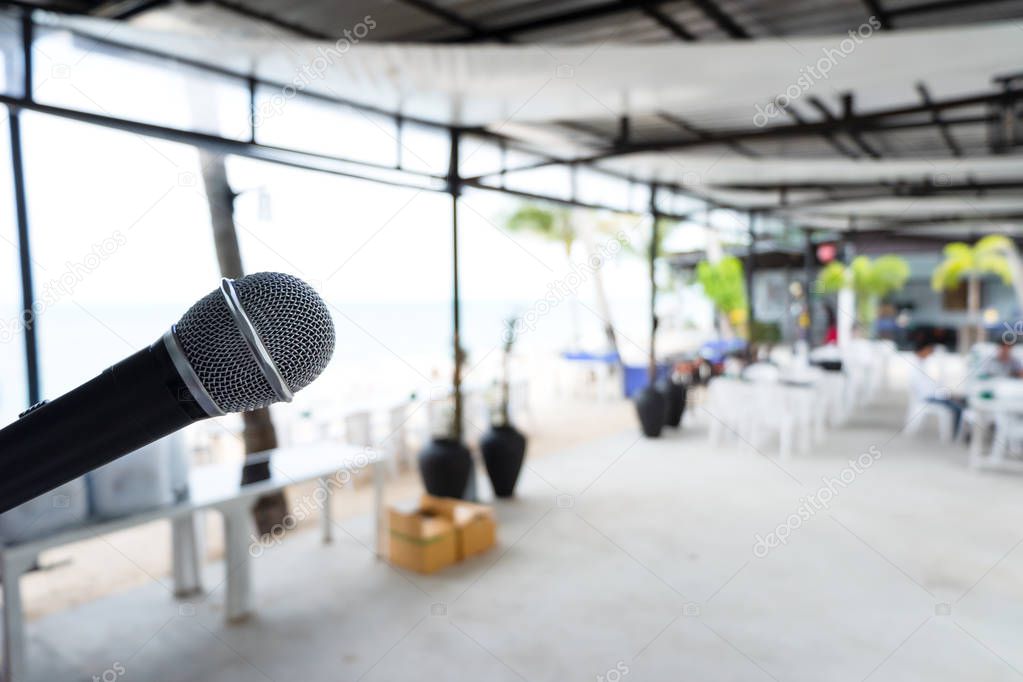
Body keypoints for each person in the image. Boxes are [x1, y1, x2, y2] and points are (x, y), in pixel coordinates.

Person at [910, 339, 964, 436]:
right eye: (929, 350)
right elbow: (926, 389)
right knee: (958, 407)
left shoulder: (922, 364)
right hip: (928, 397)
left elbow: (931, 386)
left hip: (931, 395)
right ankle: (956, 435)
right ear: (923, 349)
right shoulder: (916, 366)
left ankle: (958, 433)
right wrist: (945, 395)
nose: (931, 353)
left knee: (959, 401)